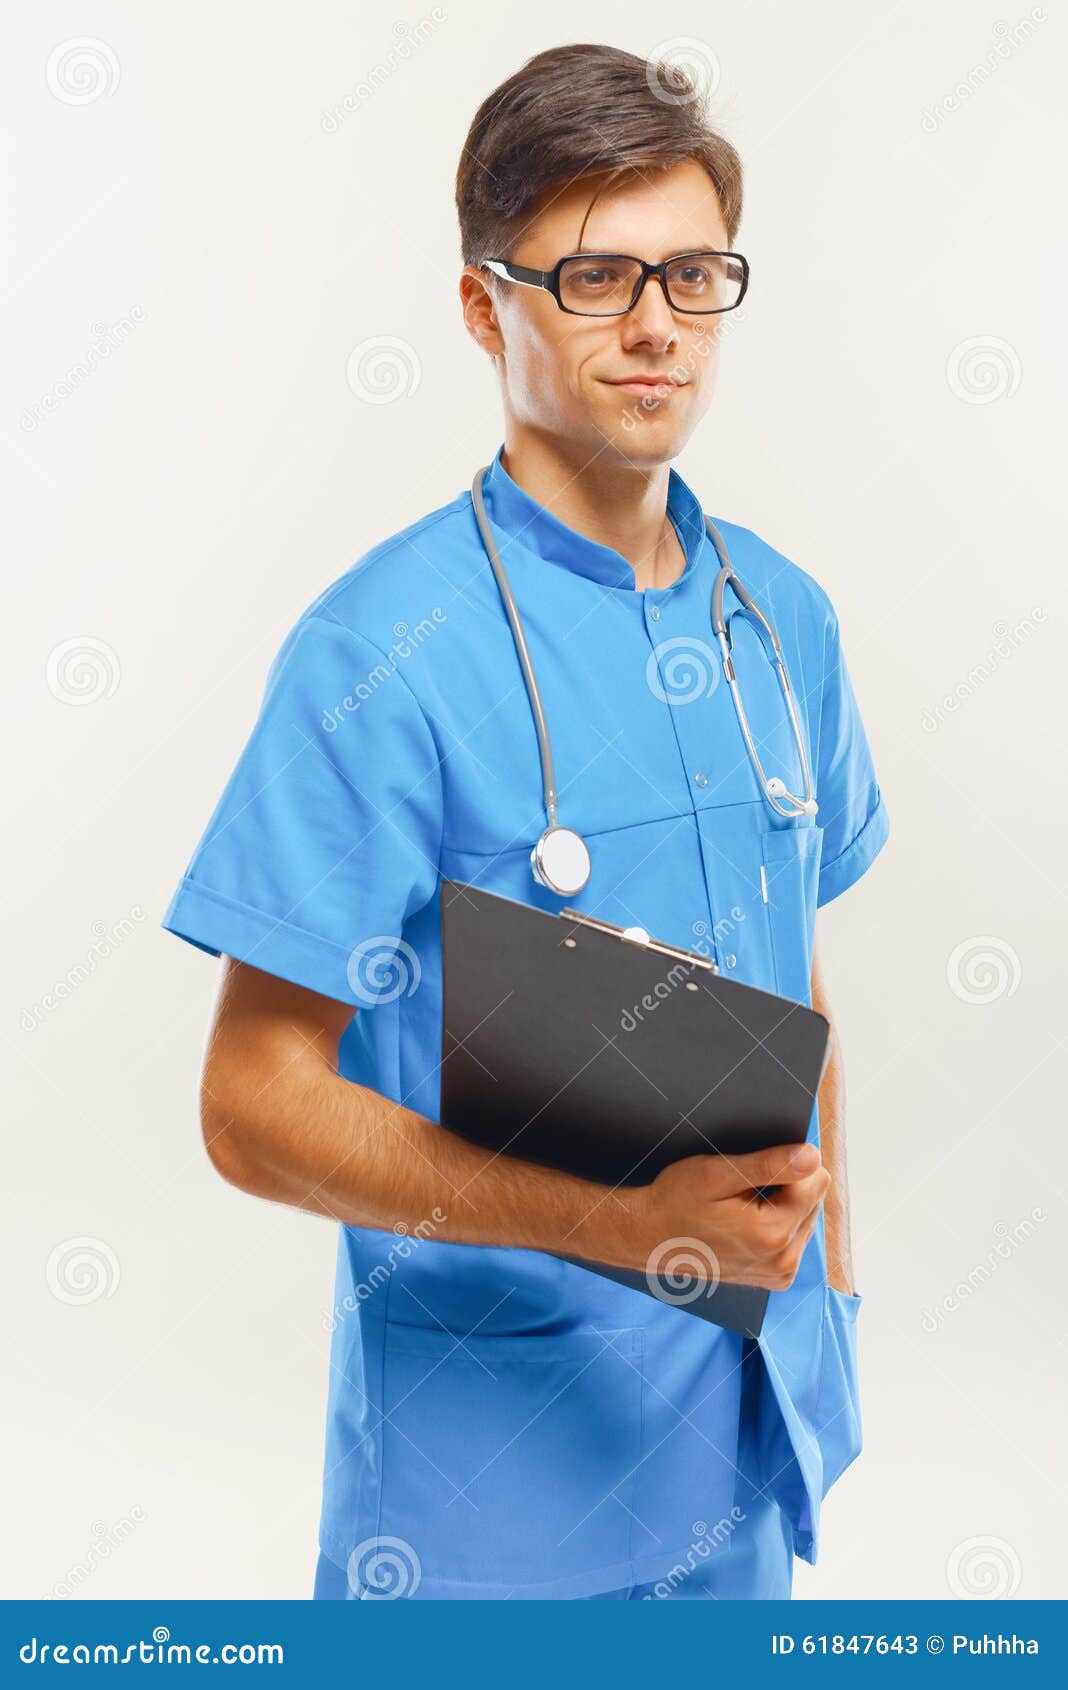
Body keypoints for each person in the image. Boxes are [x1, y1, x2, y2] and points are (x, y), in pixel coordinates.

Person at [162, 42, 889, 1601]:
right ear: (487, 305)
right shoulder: (381, 654)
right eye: (595, 277)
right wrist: (618, 1227)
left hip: (747, 1466)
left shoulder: (786, 624)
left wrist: (830, 1289)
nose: (655, 326)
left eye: (693, 274)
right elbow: (250, 1100)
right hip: (483, 1506)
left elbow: (798, 985)